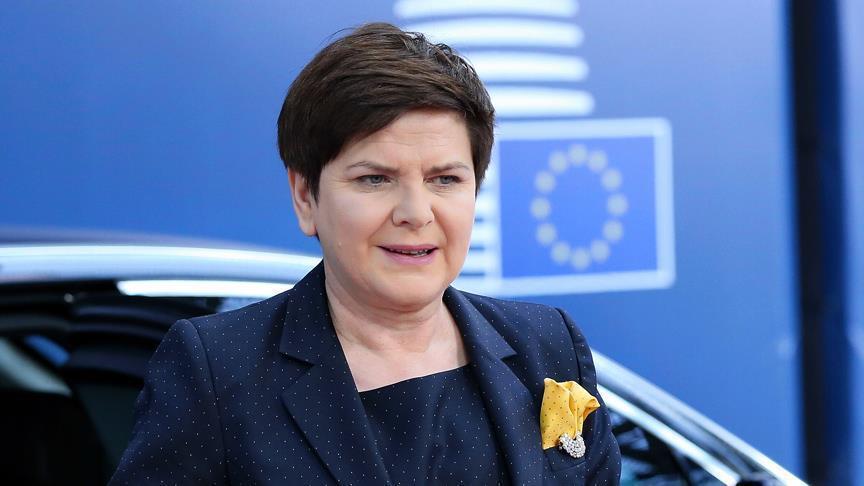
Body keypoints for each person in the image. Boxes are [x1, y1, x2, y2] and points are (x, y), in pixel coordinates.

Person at [111, 22, 620, 485]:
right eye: (375, 179)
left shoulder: (545, 344)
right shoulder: (218, 373)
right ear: (305, 196)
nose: (416, 213)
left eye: (445, 179)